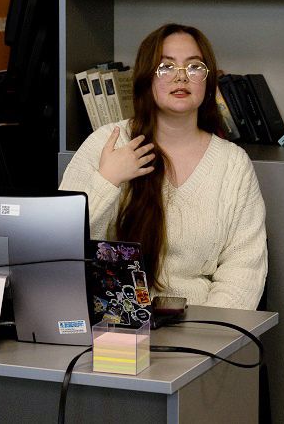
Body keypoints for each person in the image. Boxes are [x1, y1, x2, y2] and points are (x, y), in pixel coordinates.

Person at [60, 24, 267, 310]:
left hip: (202, 322)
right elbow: (61, 248)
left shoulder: (233, 163)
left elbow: (243, 271)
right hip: (114, 319)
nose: (181, 76)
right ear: (146, 78)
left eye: (194, 67)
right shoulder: (108, 143)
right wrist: (108, 180)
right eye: (166, 67)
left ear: (208, 81)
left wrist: (208, 331)